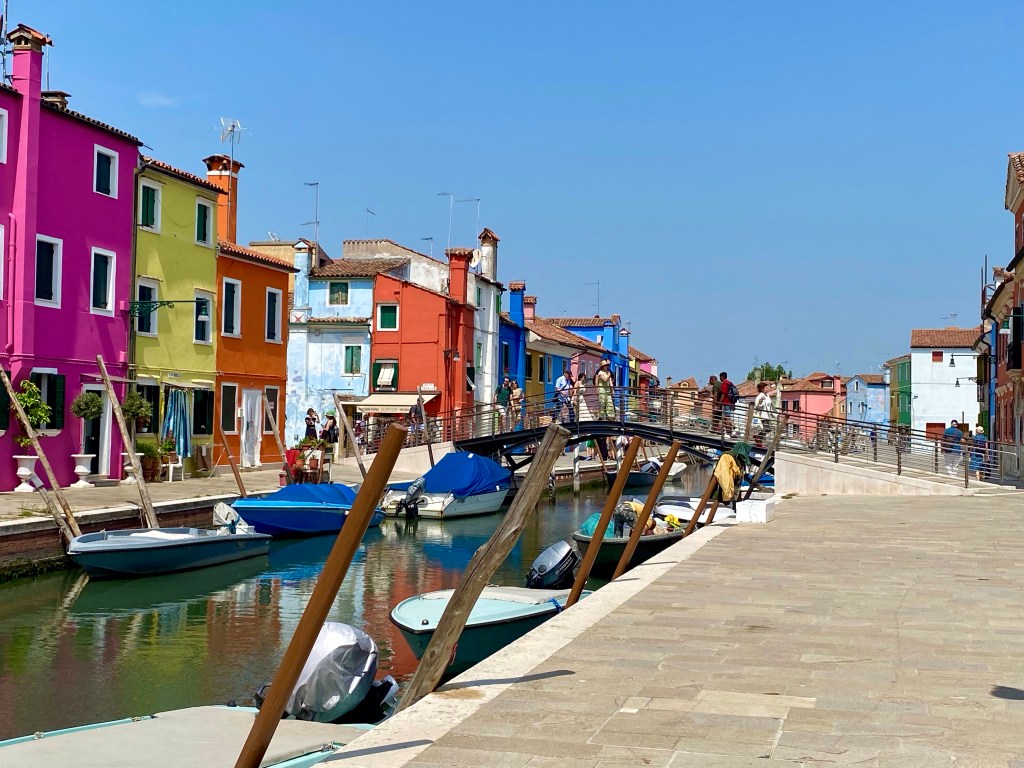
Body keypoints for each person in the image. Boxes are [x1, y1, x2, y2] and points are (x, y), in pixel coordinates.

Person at [718, 371, 737, 437]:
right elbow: (734, 394)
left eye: (720, 377)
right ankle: (729, 432)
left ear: (722, 377)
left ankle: (729, 432)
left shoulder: (724, 384)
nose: (720, 378)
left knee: (726, 418)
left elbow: (723, 394)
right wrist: (734, 404)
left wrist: (719, 404)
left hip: (726, 403)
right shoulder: (731, 383)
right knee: (727, 417)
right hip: (731, 403)